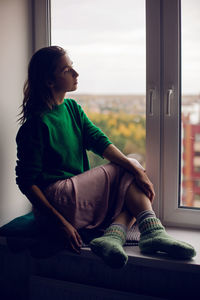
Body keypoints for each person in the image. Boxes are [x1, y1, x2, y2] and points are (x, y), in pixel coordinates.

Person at [16, 46, 196, 268]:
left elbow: (100, 142)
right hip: (57, 200)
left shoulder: (71, 108)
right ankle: (152, 231)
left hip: (74, 197)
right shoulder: (36, 124)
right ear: (50, 82)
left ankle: (114, 236)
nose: (76, 74)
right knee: (129, 167)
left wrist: (137, 172)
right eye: (66, 70)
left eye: (73, 67)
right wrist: (60, 223)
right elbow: (26, 182)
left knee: (130, 178)